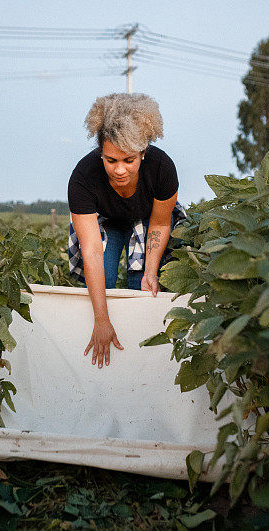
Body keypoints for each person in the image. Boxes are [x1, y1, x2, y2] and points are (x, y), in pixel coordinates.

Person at [67, 93, 187, 370]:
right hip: (105, 222)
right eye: (111, 161)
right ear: (101, 154)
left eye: (129, 160)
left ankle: (139, 362)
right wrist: (101, 321)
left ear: (143, 153)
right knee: (102, 285)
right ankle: (103, 350)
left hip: (148, 220)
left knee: (142, 289)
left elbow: (159, 224)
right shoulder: (83, 177)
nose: (119, 169)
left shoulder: (162, 168)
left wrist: (150, 271)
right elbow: (93, 251)